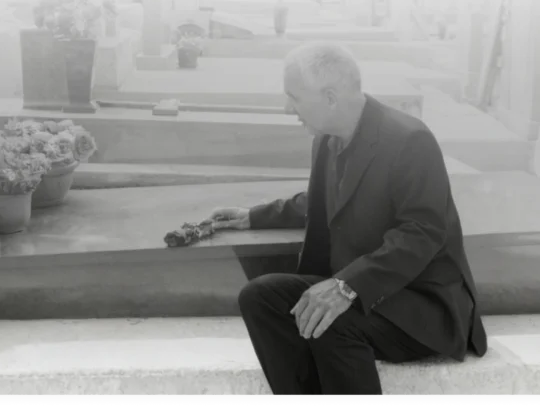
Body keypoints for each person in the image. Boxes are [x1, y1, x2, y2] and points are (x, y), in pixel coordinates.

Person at [208, 42, 487, 396]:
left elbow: (422, 232)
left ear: (330, 97)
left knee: (331, 321)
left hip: (419, 306)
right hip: (367, 295)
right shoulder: (327, 140)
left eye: (293, 97)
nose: (286, 108)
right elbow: (327, 198)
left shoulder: (409, 139)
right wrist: (254, 217)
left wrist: (347, 286)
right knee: (260, 297)